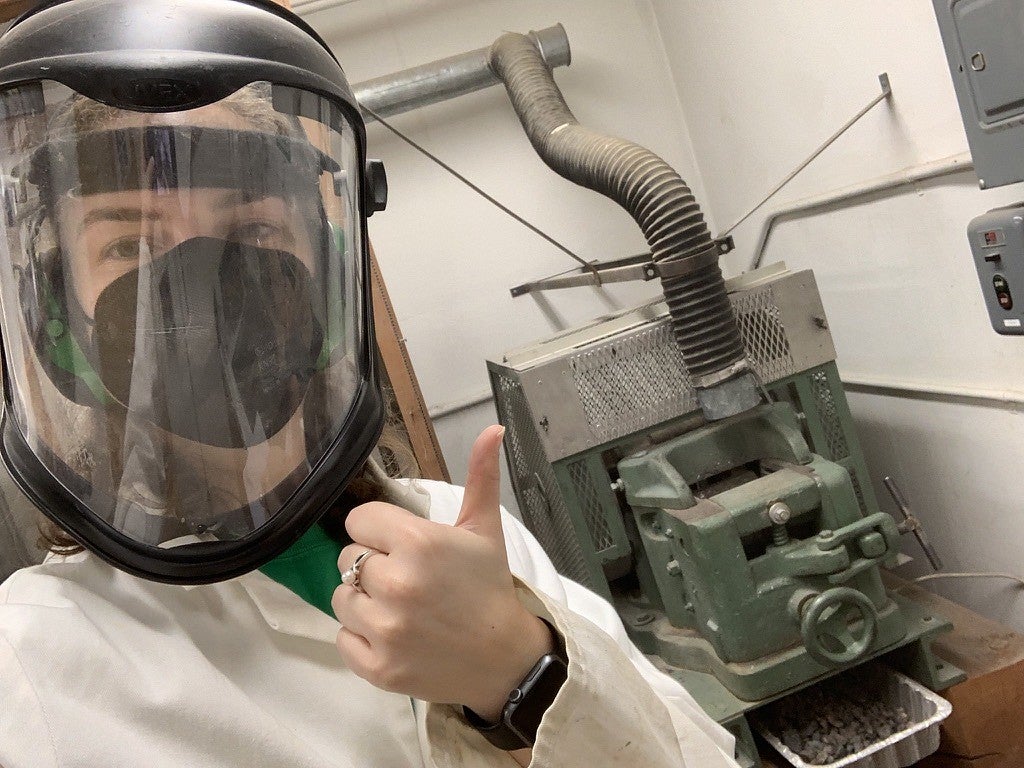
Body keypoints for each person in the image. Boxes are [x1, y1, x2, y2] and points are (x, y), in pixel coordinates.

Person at [0, 1, 741, 766]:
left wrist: (524, 675)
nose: (199, 297)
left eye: (253, 230)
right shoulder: (35, 665)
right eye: (129, 242)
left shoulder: (460, 529)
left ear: (325, 280)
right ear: (60, 319)